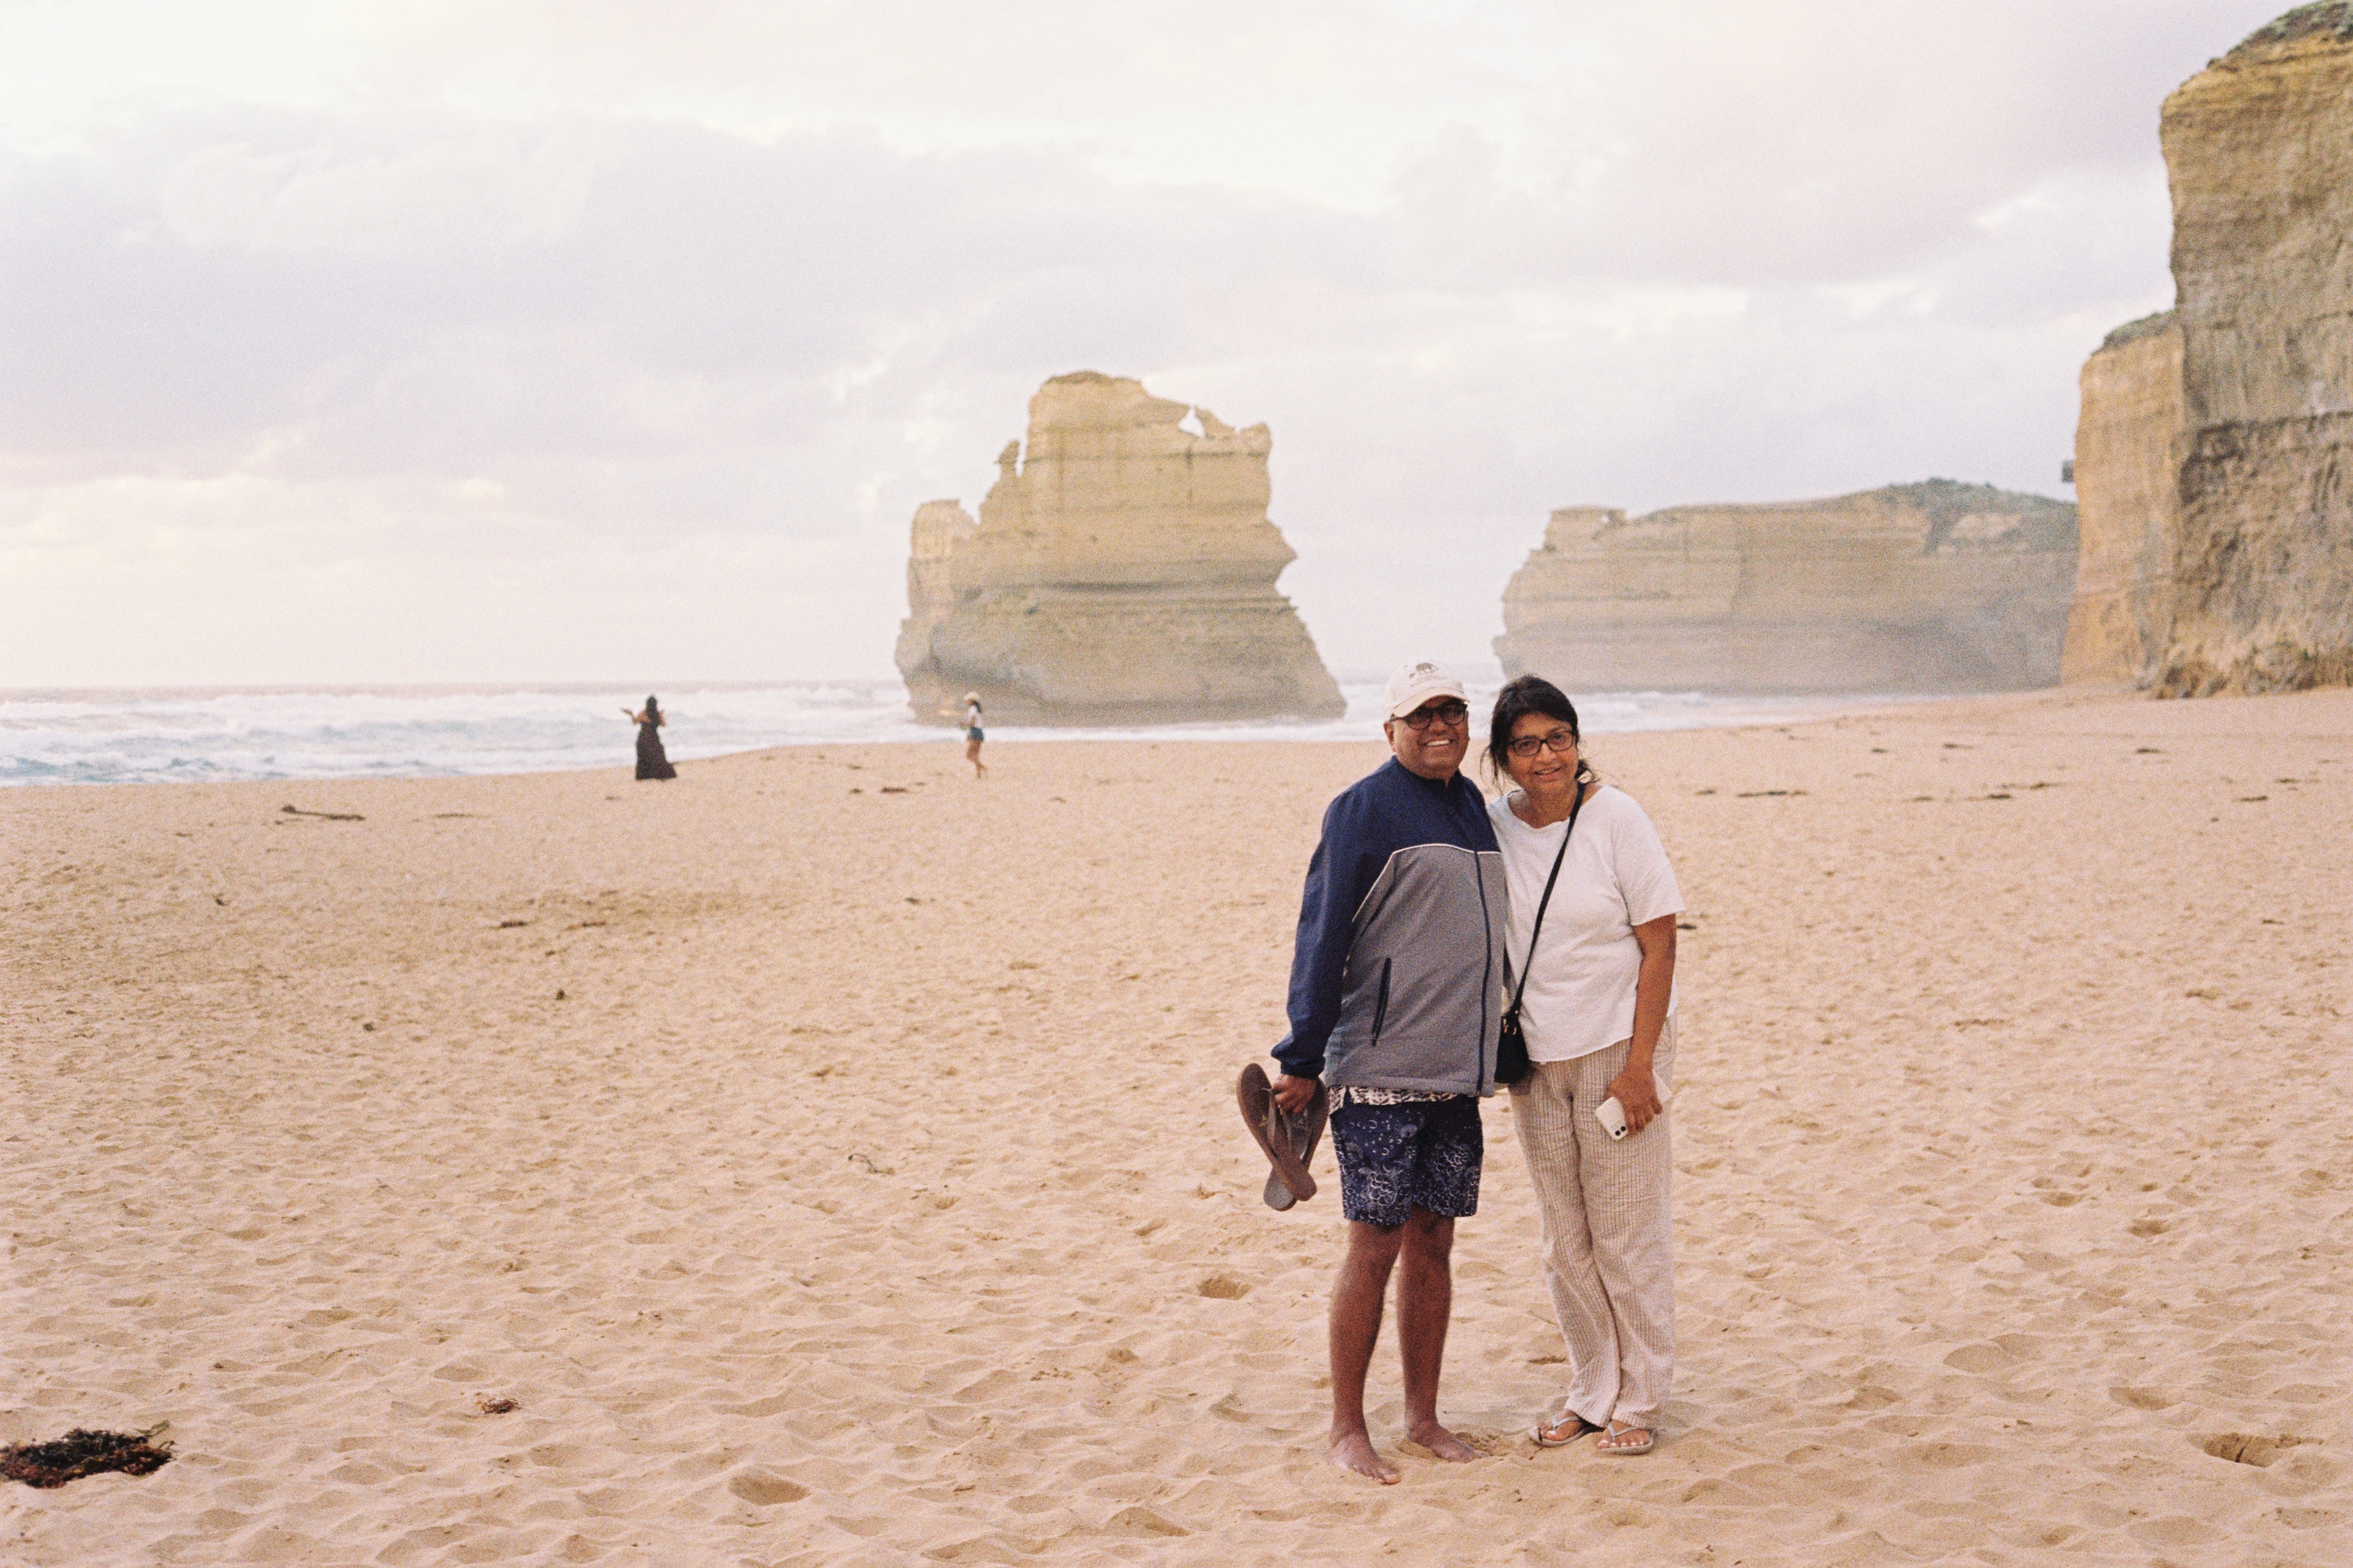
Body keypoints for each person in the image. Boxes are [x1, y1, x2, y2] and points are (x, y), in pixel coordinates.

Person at [1270, 659, 1507, 1484]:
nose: (1440, 727)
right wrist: (1301, 1057)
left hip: (1457, 1071)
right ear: (1390, 729)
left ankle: (1423, 1415)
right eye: (1422, 716)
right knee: (1374, 1245)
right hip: (1378, 1070)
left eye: (1453, 713)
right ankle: (1346, 1427)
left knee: (1434, 1241)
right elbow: (1321, 933)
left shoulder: (1473, 806)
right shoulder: (1362, 808)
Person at [1484, 675, 1683, 1457]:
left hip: (1615, 1050)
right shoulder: (1494, 825)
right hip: (1535, 1059)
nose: (1547, 756)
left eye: (1558, 737)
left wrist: (1640, 1067)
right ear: (1502, 759)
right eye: (1527, 744)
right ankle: (1591, 1391)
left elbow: (1661, 944)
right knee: (1564, 1240)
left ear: (1577, 740)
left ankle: (1641, 1398)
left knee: (1626, 1234)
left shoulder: (1617, 818)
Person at [623, 696, 676, 781]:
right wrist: (662, 715)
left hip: (644, 738)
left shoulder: (643, 714)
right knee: (658, 757)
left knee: (644, 758)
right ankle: (658, 775)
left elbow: (635, 722)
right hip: (654, 739)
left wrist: (631, 714)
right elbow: (664, 725)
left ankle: (645, 776)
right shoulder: (657, 715)